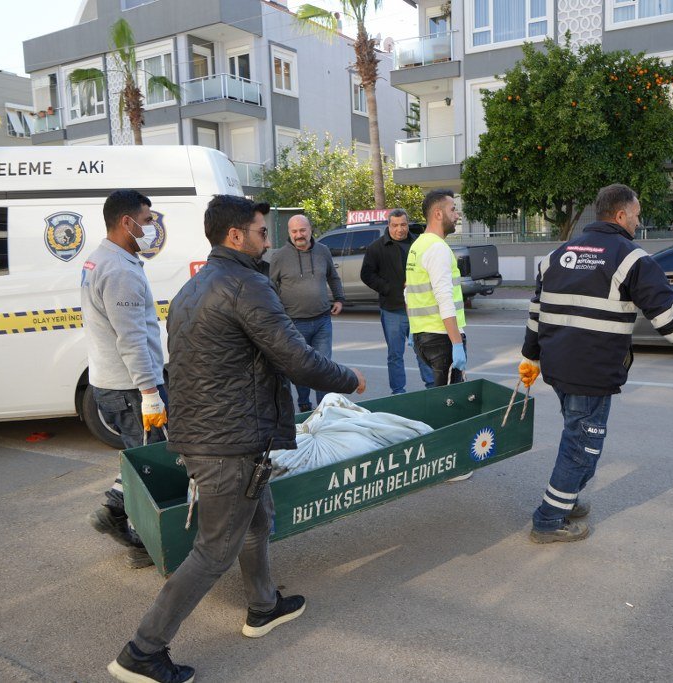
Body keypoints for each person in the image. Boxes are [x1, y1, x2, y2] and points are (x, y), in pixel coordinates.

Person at [108, 195, 366, 683]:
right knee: (213, 550)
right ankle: (143, 651)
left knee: (257, 518)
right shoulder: (246, 285)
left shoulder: (195, 285)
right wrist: (349, 379)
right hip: (227, 441)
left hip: (214, 433)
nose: (267, 240)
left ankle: (263, 605)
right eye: (262, 232)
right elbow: (296, 358)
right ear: (235, 236)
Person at [518, 184, 673, 544]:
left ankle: (566, 500)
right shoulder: (631, 258)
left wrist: (530, 355)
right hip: (591, 370)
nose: (639, 222)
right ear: (622, 214)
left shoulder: (557, 255)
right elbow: (666, 312)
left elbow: (538, 310)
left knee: (578, 439)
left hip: (559, 367)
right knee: (582, 447)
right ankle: (548, 520)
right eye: (637, 214)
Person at [80, 189, 168, 570]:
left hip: (109, 383)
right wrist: (150, 392)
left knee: (136, 458)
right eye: (148, 221)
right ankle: (144, 542)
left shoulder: (99, 260)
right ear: (126, 223)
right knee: (151, 466)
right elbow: (130, 338)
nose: (152, 228)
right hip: (133, 389)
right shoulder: (118, 272)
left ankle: (113, 509)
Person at [270, 214, 345, 412]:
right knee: (301, 368)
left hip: (322, 320)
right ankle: (304, 404)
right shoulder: (279, 256)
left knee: (323, 367)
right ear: (289, 233)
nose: (299, 235)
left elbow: (333, 277)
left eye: (302, 230)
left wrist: (339, 298)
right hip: (294, 323)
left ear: (310, 230)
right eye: (294, 231)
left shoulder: (323, 251)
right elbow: (269, 286)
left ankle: (324, 409)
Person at [360, 208, 435, 394]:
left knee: (423, 351)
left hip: (419, 309)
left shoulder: (418, 243)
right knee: (395, 355)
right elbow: (366, 274)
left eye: (403, 225)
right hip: (392, 310)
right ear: (389, 225)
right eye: (395, 225)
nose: (399, 229)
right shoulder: (376, 247)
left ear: (407, 224)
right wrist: (388, 288)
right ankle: (398, 392)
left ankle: (432, 387)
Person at [405, 189, 467, 387]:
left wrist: (412, 330)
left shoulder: (417, 246)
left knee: (438, 398)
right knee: (448, 403)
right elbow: (445, 299)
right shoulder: (438, 248)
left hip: (422, 337)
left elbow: (408, 292)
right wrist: (457, 343)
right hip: (442, 339)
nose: (457, 215)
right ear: (438, 214)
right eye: (453, 209)